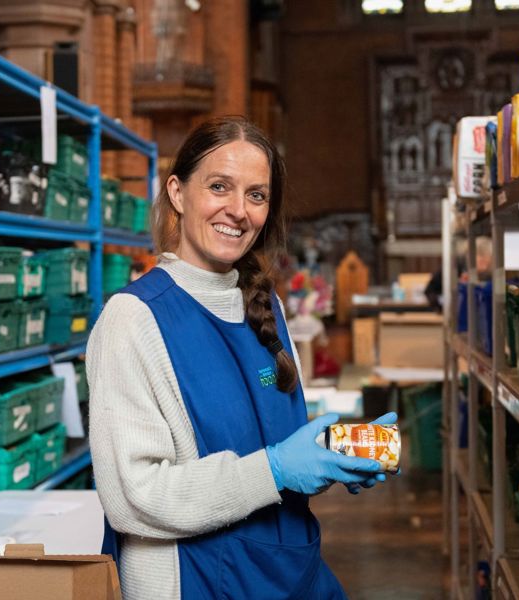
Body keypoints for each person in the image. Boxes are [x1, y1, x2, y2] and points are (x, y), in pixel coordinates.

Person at [88, 116, 394, 600]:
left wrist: (326, 458)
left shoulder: (262, 303)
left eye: (256, 195)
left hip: (289, 570)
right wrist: (275, 470)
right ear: (177, 192)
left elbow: (269, 450)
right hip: (197, 581)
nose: (238, 211)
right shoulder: (134, 319)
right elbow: (134, 497)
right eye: (218, 187)